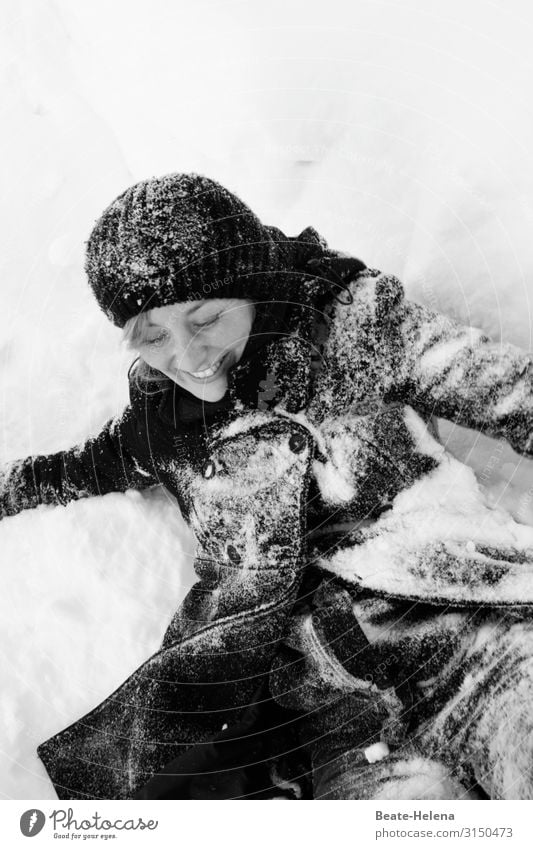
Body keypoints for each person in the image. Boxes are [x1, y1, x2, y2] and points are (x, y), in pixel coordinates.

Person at [2, 172, 533, 801]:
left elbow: (503, 388)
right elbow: (77, 469)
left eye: (207, 319)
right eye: (152, 335)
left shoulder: (353, 327)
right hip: (338, 717)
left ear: (251, 287)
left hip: (476, 638)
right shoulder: (162, 424)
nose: (189, 355)